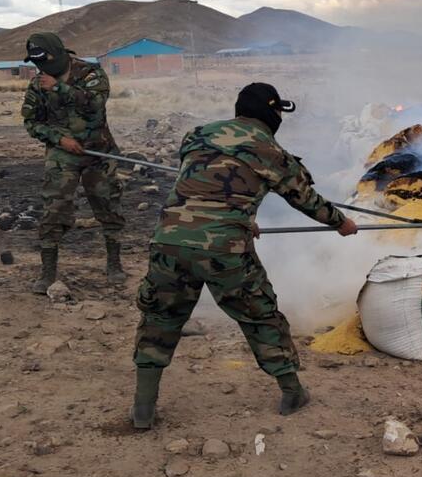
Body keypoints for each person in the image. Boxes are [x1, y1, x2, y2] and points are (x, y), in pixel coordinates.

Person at [130, 82, 358, 429]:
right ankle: (292, 392)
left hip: (168, 241)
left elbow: (203, 183)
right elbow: (305, 199)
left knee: (160, 318)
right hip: (225, 249)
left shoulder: (196, 135)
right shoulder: (270, 150)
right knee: (260, 315)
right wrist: (341, 223)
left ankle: (142, 409)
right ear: (272, 112)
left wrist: (242, 217)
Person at [20, 32, 126, 294]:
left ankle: (114, 264)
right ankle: (47, 273)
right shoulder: (37, 84)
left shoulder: (91, 74)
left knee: (107, 206)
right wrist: (59, 139)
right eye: (36, 64)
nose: (41, 69)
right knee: (54, 209)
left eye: (44, 61)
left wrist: (57, 88)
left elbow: (95, 104)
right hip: (62, 153)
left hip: (99, 152)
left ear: (58, 54)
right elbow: (32, 122)